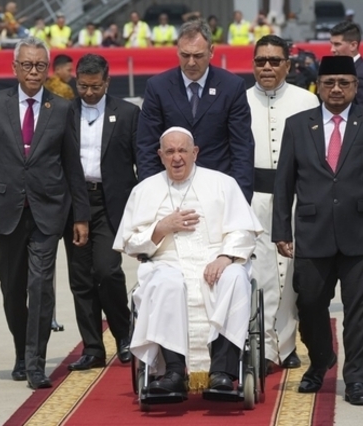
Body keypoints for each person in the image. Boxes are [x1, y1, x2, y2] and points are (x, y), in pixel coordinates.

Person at [0, 36, 90, 390]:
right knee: (12, 287)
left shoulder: (62, 108)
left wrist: (80, 215)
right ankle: (21, 351)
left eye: (39, 66)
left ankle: (35, 363)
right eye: (27, 65)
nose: (33, 72)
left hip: (48, 210)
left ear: (47, 68)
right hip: (6, 209)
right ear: (15, 67)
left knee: (41, 287)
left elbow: (72, 165)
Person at [114, 126, 262, 392]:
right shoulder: (145, 189)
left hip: (215, 258)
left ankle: (222, 373)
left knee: (235, 277)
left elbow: (243, 230)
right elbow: (130, 243)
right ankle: (172, 372)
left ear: (195, 152)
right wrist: (162, 227)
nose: (176, 157)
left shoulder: (222, 183)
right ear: (160, 155)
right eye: (169, 151)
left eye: (183, 150)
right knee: (165, 283)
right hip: (166, 261)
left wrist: (225, 257)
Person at [273, 56, 363, 405]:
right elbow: (284, 182)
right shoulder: (298, 125)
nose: (337, 89)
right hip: (311, 231)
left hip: (358, 233)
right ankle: (321, 360)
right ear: (319, 85)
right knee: (309, 304)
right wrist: (281, 229)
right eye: (330, 83)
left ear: (355, 85)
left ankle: (355, 377)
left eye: (344, 82)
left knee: (358, 312)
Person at [246, 35, 320, 373]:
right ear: (253, 64)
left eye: (275, 61)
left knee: (291, 277)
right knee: (258, 275)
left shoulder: (307, 101)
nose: (267, 67)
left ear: (288, 65)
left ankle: (287, 344)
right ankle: (260, 345)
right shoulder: (240, 100)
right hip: (252, 199)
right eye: (261, 61)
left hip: (294, 200)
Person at [63, 54, 139, 371]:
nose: (89, 93)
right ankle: (93, 347)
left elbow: (142, 161)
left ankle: (124, 337)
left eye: (95, 86)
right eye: (83, 86)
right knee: (81, 279)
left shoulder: (128, 113)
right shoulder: (65, 113)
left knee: (107, 271)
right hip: (74, 204)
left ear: (107, 82)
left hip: (111, 203)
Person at [136, 19, 254, 202]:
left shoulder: (232, 87)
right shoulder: (157, 87)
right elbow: (147, 146)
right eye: (185, 55)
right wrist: (151, 195)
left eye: (198, 56)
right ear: (177, 50)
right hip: (170, 192)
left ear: (212, 51)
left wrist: (240, 198)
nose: (191, 62)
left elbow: (242, 148)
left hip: (218, 191)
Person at [329, 22, 363, 104]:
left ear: (353, 45)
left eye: (337, 44)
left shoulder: (360, 74)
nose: (332, 50)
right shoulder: (333, 70)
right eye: (332, 44)